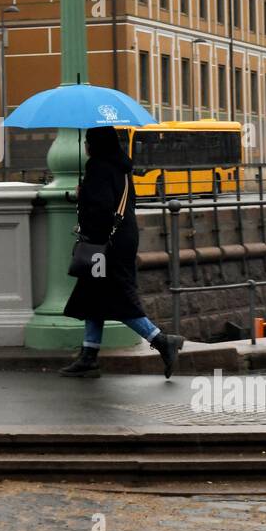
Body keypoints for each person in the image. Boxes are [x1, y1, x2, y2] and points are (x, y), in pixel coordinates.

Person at [61, 125, 184, 379]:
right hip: (124, 238)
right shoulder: (122, 167)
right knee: (94, 294)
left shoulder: (98, 167)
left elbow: (100, 208)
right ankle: (89, 355)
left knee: (118, 298)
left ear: (96, 144)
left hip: (105, 244)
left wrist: (82, 197)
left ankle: (162, 341)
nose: (85, 145)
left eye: (88, 141)